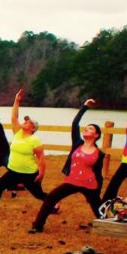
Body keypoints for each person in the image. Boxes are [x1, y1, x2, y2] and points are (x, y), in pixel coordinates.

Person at [30, 99, 105, 233]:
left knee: (98, 208)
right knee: (51, 198)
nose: (87, 129)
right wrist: (84, 107)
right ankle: (37, 226)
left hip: (89, 184)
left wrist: (97, 191)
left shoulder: (99, 153)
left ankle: (109, 226)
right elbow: (75, 124)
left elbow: (98, 174)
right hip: (72, 181)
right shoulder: (77, 143)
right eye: (86, 127)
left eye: (91, 128)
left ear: (96, 135)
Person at [0, 90, 47, 218]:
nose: (24, 123)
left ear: (33, 128)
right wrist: (16, 101)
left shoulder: (35, 140)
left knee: (38, 194)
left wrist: (41, 174)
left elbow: (41, 158)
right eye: (24, 121)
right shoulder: (18, 133)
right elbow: (14, 117)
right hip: (13, 171)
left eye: (27, 122)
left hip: (29, 174)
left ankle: (54, 204)